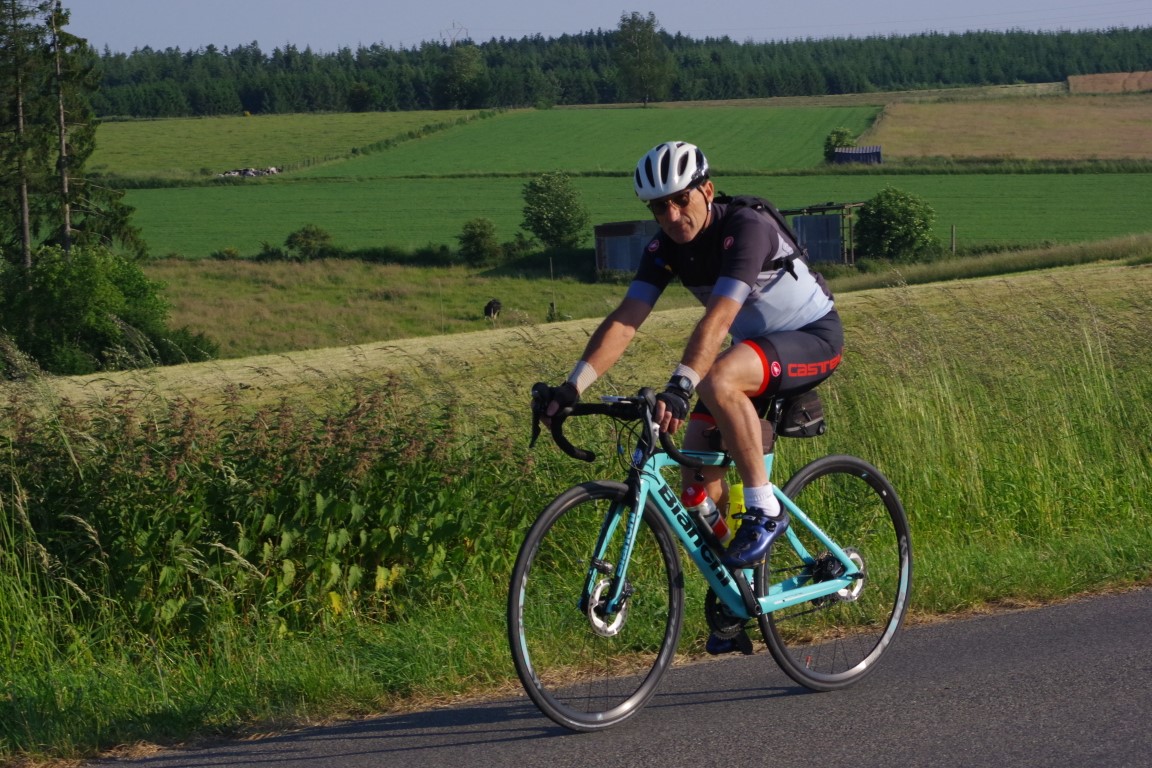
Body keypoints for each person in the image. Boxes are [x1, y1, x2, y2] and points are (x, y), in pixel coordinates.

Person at [543, 139, 843, 579]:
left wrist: (679, 388)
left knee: (717, 379)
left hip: (812, 338)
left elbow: (720, 318)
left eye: (681, 200)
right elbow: (626, 320)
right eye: (659, 207)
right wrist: (572, 386)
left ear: (707, 190)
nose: (671, 216)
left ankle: (765, 509)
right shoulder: (665, 248)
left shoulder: (746, 227)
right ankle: (740, 588)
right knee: (695, 484)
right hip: (755, 352)